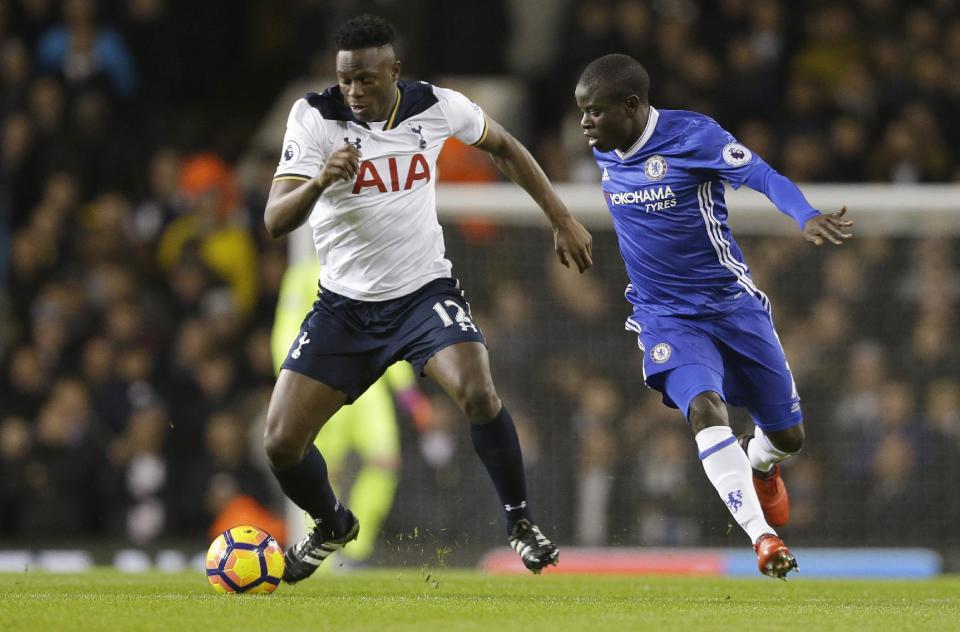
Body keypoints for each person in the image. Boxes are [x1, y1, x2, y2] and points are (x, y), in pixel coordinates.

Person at [263, 14, 592, 583]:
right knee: (280, 444)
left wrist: (560, 216)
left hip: (422, 294)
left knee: (477, 389)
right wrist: (319, 181)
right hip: (344, 308)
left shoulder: (436, 106)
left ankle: (519, 521)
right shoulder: (313, 117)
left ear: (394, 71)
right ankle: (332, 522)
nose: (355, 92)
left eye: (366, 79)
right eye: (346, 80)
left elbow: (506, 146)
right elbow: (274, 221)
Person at [574, 54, 853, 579]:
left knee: (789, 437)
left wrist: (805, 214)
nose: (584, 123)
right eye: (581, 112)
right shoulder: (605, 148)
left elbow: (763, 175)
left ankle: (761, 463)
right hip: (665, 319)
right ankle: (763, 538)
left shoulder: (693, 137)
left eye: (594, 112)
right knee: (704, 408)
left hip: (733, 308)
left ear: (632, 106)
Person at [271, 257, 433, 566]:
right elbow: (285, 330)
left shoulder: (373, 269)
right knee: (324, 472)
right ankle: (325, 559)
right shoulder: (304, 275)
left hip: (369, 387)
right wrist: (292, 383)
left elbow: (388, 333)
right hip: (322, 383)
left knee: (385, 462)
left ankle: (357, 551)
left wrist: (410, 396)